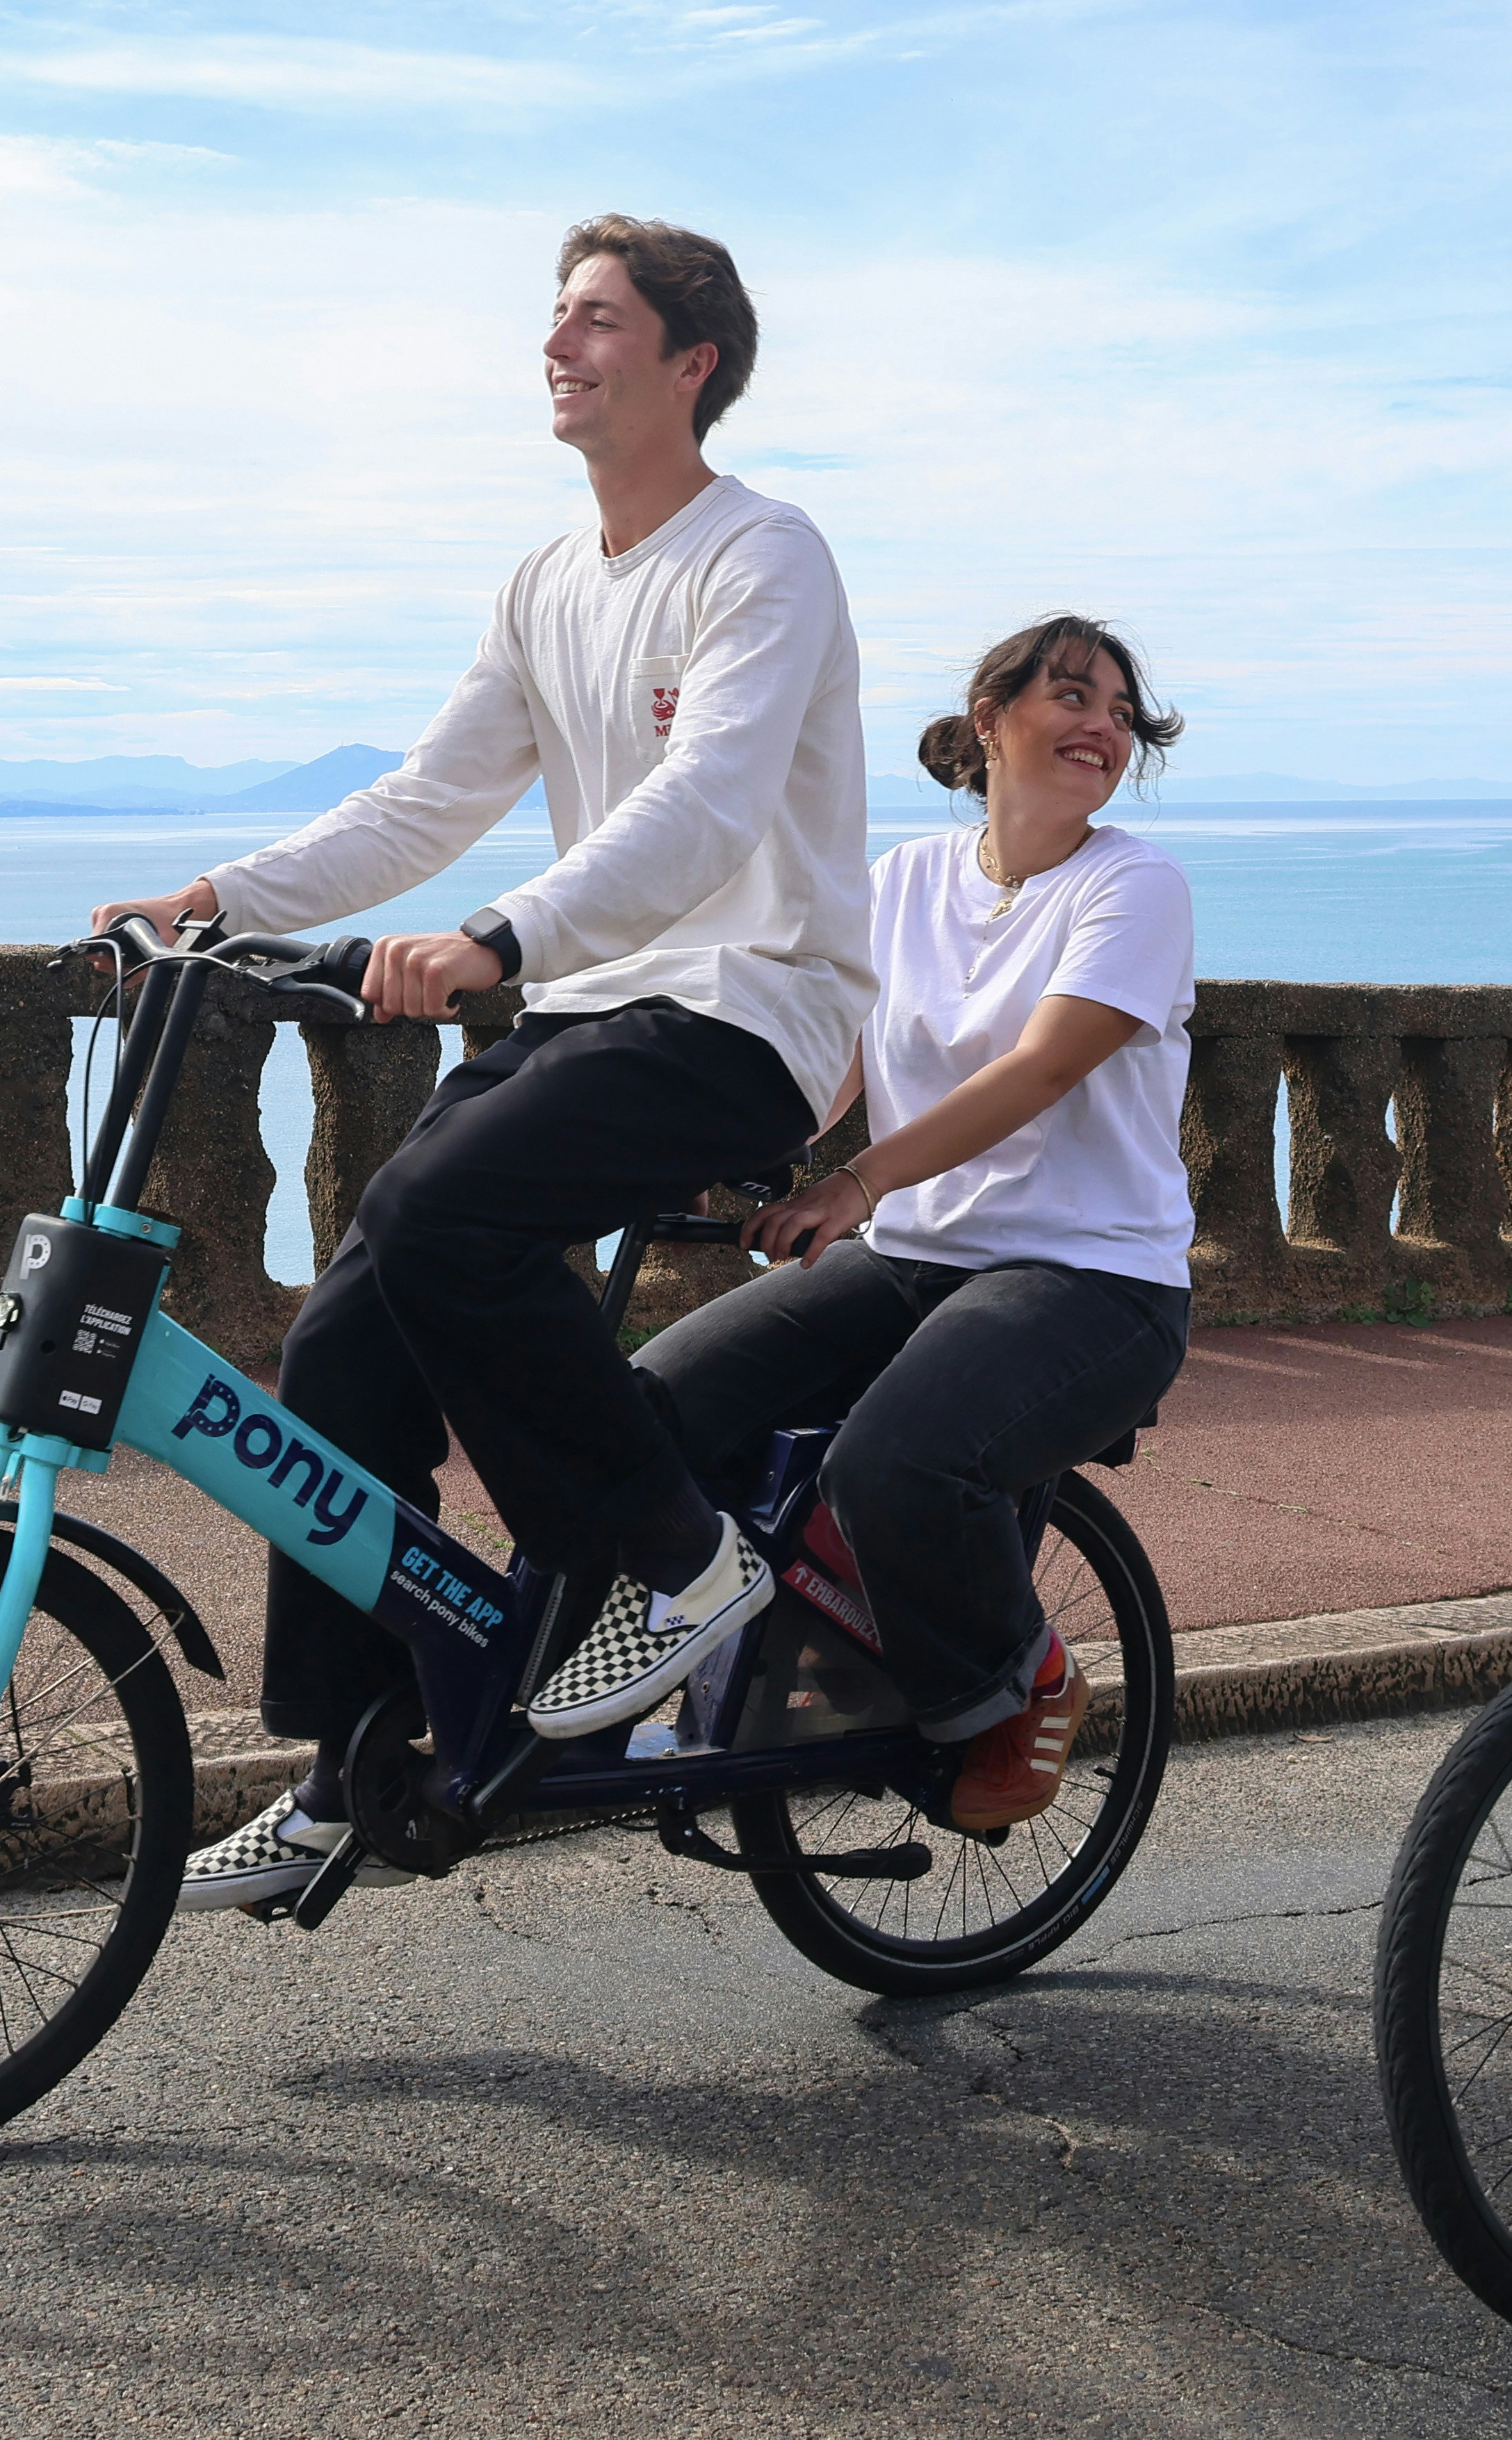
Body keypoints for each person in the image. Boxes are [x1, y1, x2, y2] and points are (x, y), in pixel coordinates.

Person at [99, 215, 875, 1912]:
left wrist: (505, 940)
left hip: (751, 1013)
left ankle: (671, 1559)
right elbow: (424, 797)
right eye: (555, 320)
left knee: (447, 1210)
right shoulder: (542, 582)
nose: (560, 344)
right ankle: (357, 1751)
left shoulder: (767, 555)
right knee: (348, 1327)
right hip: (596, 1014)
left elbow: (714, 805)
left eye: (600, 320)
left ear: (695, 364)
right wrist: (220, 900)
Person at [633, 617, 1198, 1833]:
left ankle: (1018, 1678)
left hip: (1089, 1281)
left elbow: (1042, 1068)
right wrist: (701, 1155)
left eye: (1118, 708)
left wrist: (858, 1184)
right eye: (1070, 696)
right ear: (990, 723)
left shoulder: (1134, 886)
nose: (1101, 724)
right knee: (653, 1403)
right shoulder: (902, 882)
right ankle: (729, 1639)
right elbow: (831, 1061)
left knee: (899, 1461)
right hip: (913, 1258)